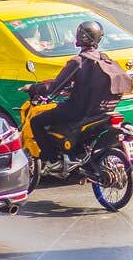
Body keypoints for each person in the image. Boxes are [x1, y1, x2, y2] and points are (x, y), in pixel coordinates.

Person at [24, 21, 122, 162]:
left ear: (80, 37)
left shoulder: (78, 62)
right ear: (99, 38)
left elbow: (55, 87)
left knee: (36, 121)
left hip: (77, 110)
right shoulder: (104, 60)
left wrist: (33, 88)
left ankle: (51, 159)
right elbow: (90, 84)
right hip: (101, 110)